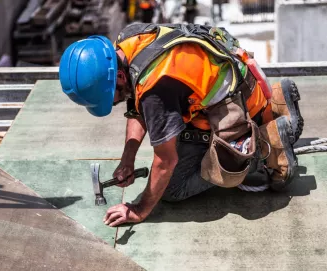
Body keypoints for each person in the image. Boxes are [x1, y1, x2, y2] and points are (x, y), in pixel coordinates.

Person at [59, 23, 304, 227]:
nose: (112, 105)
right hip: (240, 83)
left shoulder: (156, 90)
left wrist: (140, 209)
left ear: (119, 76)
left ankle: (265, 144)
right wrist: (128, 158)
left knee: (173, 189)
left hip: (237, 110)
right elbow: (136, 104)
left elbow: (166, 161)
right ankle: (276, 103)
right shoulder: (128, 41)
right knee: (170, 134)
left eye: (109, 98)